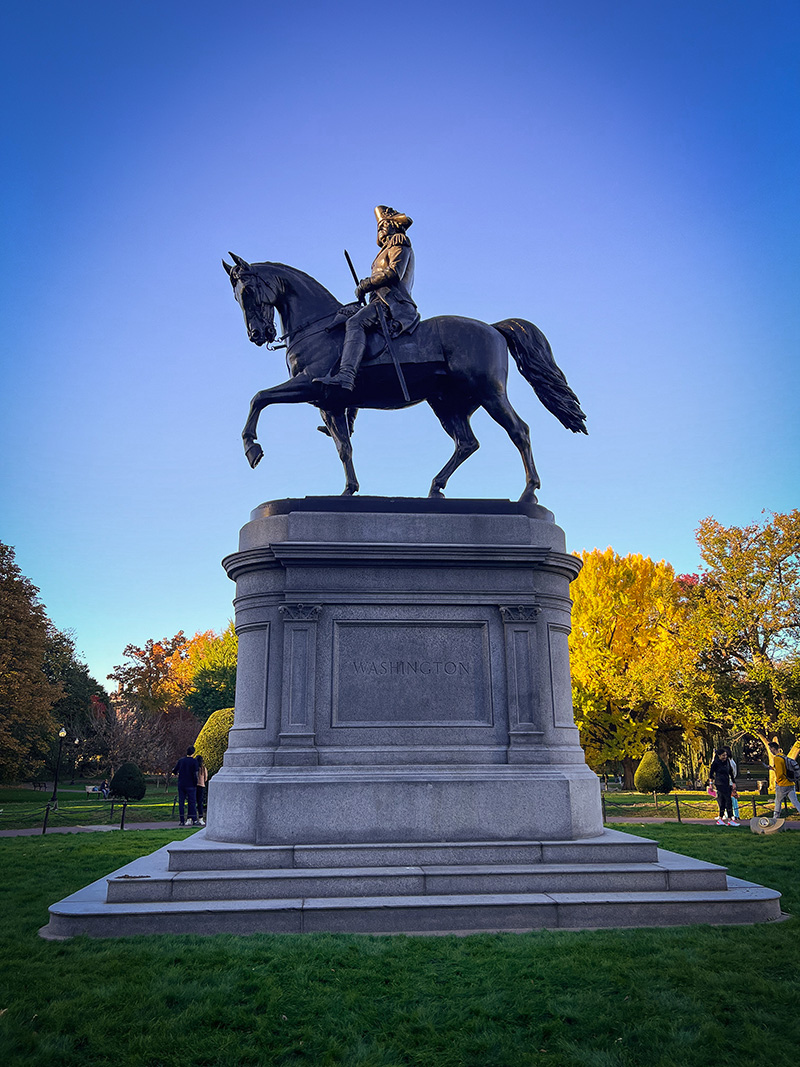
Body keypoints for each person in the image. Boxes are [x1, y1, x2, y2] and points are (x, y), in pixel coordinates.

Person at [314, 205, 419, 391]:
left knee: (356, 323)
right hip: (379, 301)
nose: (380, 230)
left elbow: (394, 272)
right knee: (342, 315)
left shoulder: (399, 242)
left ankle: (346, 375)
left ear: (394, 225)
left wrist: (366, 284)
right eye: (379, 227)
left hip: (393, 304)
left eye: (383, 226)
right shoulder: (386, 248)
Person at [768, 741, 800, 820]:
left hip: (782, 784)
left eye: (770, 749)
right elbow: (785, 770)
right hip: (790, 783)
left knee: (778, 801)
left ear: (773, 748)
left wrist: (778, 782)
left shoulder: (777, 758)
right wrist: (773, 769)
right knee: (795, 802)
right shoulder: (784, 757)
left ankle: (775, 818)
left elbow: (780, 773)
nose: (770, 751)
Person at [172, 745, 200, 827]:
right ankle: (194, 820)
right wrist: (195, 783)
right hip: (191, 784)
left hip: (181, 784)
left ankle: (181, 820)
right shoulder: (194, 762)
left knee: (181, 802)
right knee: (192, 802)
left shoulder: (181, 761)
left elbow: (174, 770)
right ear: (193, 753)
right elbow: (195, 774)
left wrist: (178, 774)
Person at [709, 748, 738, 826]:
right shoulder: (715, 763)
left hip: (727, 782)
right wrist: (711, 784)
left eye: (726, 755)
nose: (725, 757)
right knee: (728, 800)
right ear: (719, 756)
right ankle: (730, 819)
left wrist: (733, 782)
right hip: (719, 783)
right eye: (723, 755)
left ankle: (720, 818)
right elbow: (711, 774)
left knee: (723, 801)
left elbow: (731, 773)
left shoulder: (727, 762)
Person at [195, 753, 207, 827]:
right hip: (201, 785)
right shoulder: (203, 768)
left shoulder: (195, 768)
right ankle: (201, 817)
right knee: (200, 803)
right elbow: (206, 778)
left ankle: (193, 817)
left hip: (195, 786)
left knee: (193, 802)